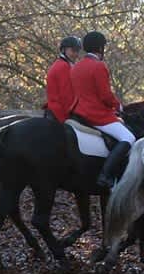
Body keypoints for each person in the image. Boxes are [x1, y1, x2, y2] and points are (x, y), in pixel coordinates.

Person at [70, 31, 133, 189]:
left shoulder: (76, 67)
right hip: (95, 114)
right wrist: (118, 106)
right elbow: (105, 96)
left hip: (79, 112)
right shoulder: (99, 66)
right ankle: (105, 175)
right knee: (129, 137)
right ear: (99, 47)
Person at [43, 36, 81, 123]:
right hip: (60, 113)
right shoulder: (63, 67)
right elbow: (67, 95)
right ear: (64, 50)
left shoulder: (61, 64)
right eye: (73, 50)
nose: (76, 54)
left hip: (57, 109)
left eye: (77, 51)